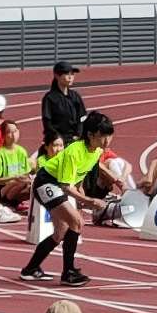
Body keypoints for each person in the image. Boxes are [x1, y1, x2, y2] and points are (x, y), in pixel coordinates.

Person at [20, 111, 111, 287]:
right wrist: (90, 201)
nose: (107, 141)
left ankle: (30, 269)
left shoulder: (97, 151)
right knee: (77, 222)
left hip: (59, 185)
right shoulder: (73, 151)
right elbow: (65, 187)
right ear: (90, 135)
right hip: (46, 182)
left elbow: (79, 176)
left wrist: (82, 194)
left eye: (109, 136)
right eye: (102, 136)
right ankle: (68, 272)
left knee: (60, 232)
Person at [41, 61, 86, 146]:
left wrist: (78, 134)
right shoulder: (49, 98)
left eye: (72, 74)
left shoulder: (75, 96)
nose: (70, 77)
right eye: (67, 74)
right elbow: (47, 122)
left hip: (75, 140)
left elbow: (82, 117)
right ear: (57, 76)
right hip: (57, 142)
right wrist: (58, 138)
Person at [0, 120, 31, 210]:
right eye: (9, 132)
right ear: (3, 135)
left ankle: (15, 202)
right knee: (21, 182)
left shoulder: (21, 151)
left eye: (15, 131)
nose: (13, 135)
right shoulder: (0, 154)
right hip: (4, 189)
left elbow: (26, 174)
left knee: (33, 185)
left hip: (19, 185)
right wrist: (14, 178)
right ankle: (9, 202)